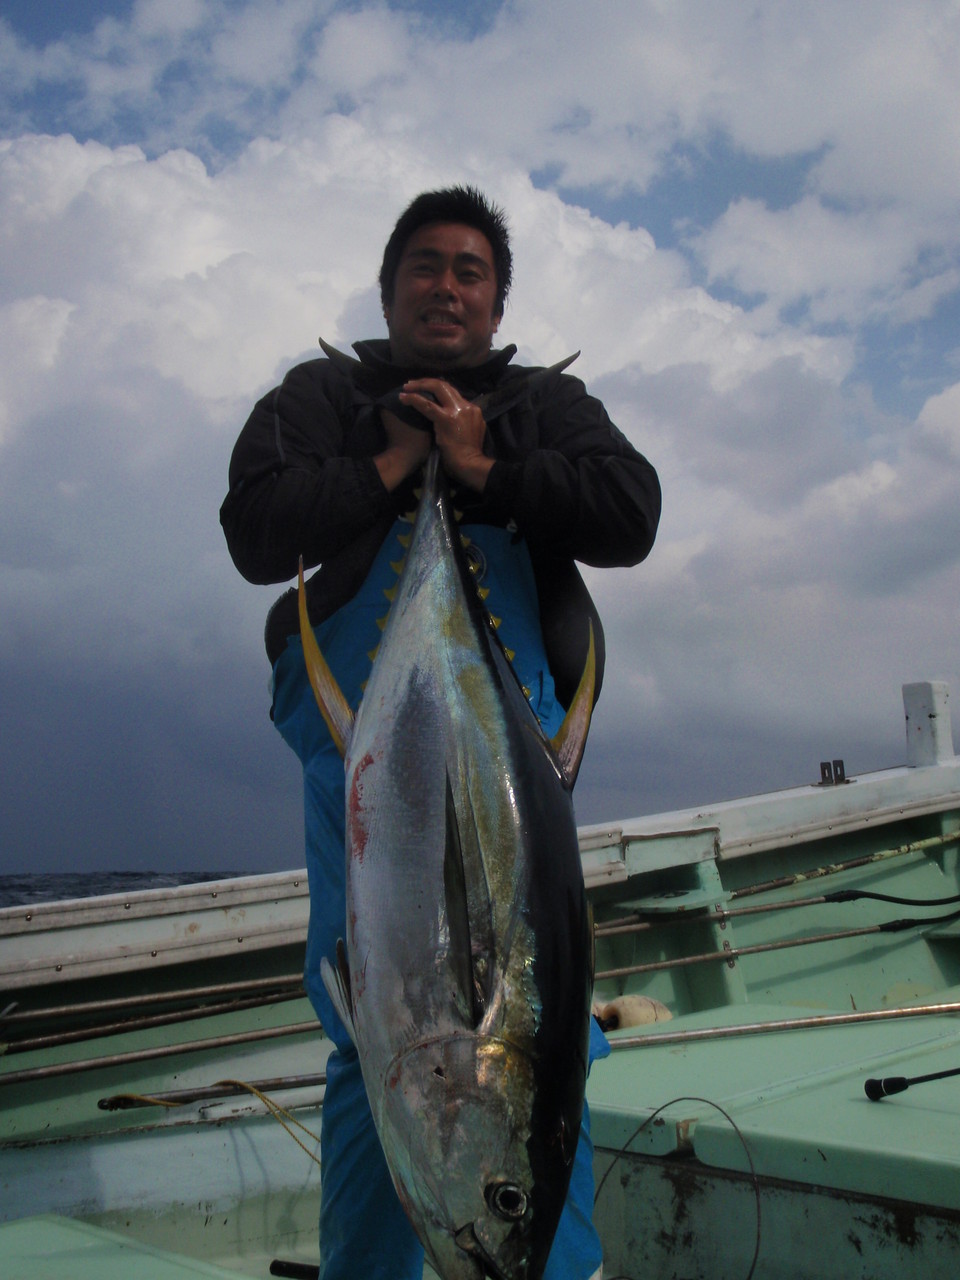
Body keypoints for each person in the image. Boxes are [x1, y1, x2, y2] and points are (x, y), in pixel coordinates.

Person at [220, 186, 661, 1280]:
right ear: (390, 287)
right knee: (361, 1014)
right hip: (364, 754)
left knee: (544, 1017)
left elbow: (632, 513)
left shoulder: (545, 408)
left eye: (471, 270)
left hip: (514, 758)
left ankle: (542, 1263)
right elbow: (253, 526)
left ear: (498, 298)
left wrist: (484, 470)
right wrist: (390, 461)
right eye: (427, 265)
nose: (448, 285)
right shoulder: (321, 393)